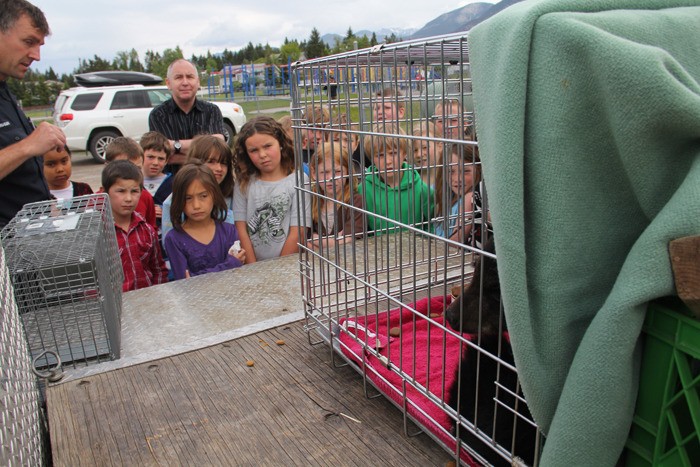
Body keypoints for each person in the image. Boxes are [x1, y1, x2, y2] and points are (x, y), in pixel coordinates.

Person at [0, 1, 66, 227]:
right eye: (28, 42)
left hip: (29, 243)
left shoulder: (5, 89)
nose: (36, 55)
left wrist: (47, 202)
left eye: (39, 45)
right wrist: (28, 146)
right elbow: (26, 148)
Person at [233, 116, 311, 263]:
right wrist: (253, 266)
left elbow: (298, 231)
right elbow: (241, 228)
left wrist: (277, 268)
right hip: (252, 266)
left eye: (268, 146)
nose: (262, 155)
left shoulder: (299, 180)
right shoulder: (243, 182)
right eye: (254, 150)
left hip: (288, 264)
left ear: (281, 143)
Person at [163, 162, 245, 280]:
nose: (196, 205)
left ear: (214, 195)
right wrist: (230, 264)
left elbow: (236, 275)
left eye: (203, 196)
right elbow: (184, 281)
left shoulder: (229, 231)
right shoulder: (174, 239)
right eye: (188, 198)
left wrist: (196, 276)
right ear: (179, 200)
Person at [101, 160, 168, 292]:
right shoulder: (99, 234)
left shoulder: (147, 230)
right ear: (106, 192)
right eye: (121, 191)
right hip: (115, 306)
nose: (128, 198)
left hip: (147, 301)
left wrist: (158, 296)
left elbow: (158, 269)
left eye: (134, 191)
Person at [148, 58, 224, 173]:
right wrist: (204, 154)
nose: (185, 82)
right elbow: (166, 156)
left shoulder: (212, 111)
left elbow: (217, 149)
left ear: (197, 82)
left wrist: (175, 145)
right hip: (172, 184)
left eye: (190, 77)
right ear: (168, 83)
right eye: (178, 77)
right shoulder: (158, 115)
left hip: (207, 182)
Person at [358, 125, 434, 235]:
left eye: (393, 153)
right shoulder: (363, 190)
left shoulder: (421, 189)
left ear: (404, 153)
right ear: (372, 158)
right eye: (380, 155)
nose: (387, 161)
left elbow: (434, 224)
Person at [160, 134, 235, 244]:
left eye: (223, 163)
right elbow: (168, 243)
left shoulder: (231, 196)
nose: (218, 168)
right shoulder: (173, 201)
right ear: (196, 162)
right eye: (211, 161)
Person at [307, 142, 365, 251]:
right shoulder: (312, 199)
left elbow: (349, 240)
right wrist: (335, 241)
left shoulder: (356, 202)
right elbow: (304, 239)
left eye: (337, 171)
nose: (330, 178)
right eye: (324, 172)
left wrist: (316, 240)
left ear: (348, 171)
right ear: (314, 173)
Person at [433, 143, 487, 247]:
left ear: (479, 170)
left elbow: (456, 241)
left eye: (466, 171)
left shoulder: (470, 199)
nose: (457, 178)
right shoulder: (446, 193)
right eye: (450, 171)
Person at [104, 137, 157, 229]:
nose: (132, 174)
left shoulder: (145, 197)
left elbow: (151, 230)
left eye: (138, 169)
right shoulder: (96, 202)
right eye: (123, 168)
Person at [411, 121, 443, 187]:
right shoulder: (409, 178)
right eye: (415, 150)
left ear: (440, 146)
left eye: (425, 147)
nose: (419, 154)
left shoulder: (450, 179)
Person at [140, 131, 172, 196]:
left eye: (161, 159)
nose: (155, 163)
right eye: (151, 157)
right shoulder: (131, 181)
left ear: (166, 161)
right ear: (140, 156)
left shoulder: (172, 184)